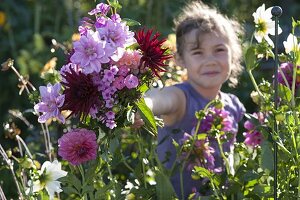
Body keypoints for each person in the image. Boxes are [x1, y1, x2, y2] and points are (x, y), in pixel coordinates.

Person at [136, 1, 246, 198]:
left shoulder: (233, 105)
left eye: (219, 50)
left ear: (234, 53)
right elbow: (160, 99)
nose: (210, 60)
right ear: (180, 59)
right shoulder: (181, 98)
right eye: (197, 52)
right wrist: (143, 107)